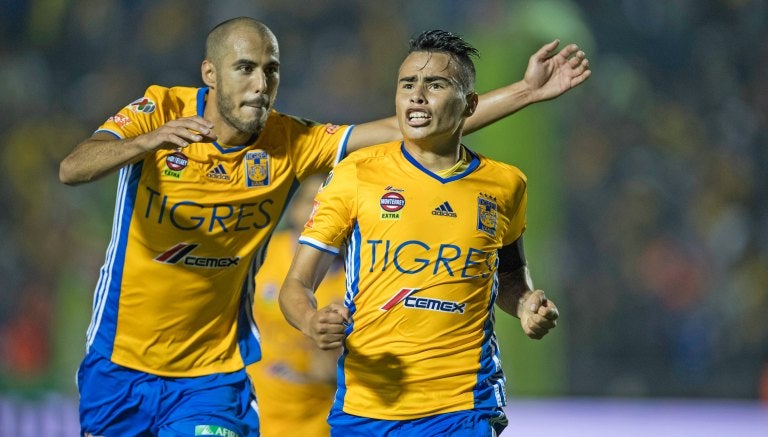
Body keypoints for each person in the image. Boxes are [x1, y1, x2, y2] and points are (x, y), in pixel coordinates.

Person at [59, 16, 588, 436]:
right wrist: (143, 144)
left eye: (272, 70)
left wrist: (526, 91)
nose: (261, 84)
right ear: (210, 73)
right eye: (245, 68)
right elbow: (72, 167)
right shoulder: (159, 111)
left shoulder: (290, 141)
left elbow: (407, 127)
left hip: (213, 371)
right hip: (120, 360)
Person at [278, 29, 560, 437]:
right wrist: (310, 320)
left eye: (436, 84)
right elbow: (296, 285)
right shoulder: (356, 174)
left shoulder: (505, 184)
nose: (417, 95)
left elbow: (512, 277)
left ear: (470, 105)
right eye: (407, 84)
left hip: (464, 405)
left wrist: (526, 305)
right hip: (367, 404)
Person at [247, 175, 344, 437]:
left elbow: (331, 373)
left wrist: (327, 347)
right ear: (294, 208)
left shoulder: (356, 282)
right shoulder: (260, 257)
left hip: (313, 419)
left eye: (335, 208)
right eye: (313, 205)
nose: (323, 218)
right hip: (250, 406)